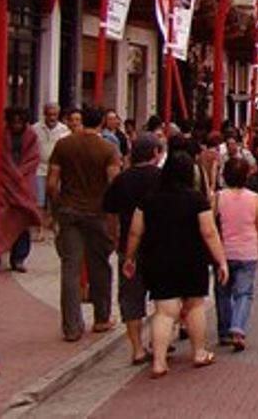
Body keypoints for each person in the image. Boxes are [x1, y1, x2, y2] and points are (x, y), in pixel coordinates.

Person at [123, 150, 229, 377]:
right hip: (192, 258)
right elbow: (209, 233)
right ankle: (199, 352)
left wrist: (129, 257)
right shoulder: (196, 199)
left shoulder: (149, 199)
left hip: (158, 259)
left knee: (164, 311)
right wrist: (221, 261)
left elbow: (134, 232)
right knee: (195, 305)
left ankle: (159, 362)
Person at [47, 105, 121, 341]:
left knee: (70, 267)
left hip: (69, 210)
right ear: (101, 122)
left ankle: (71, 326)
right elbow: (113, 185)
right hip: (96, 212)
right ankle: (101, 318)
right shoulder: (108, 149)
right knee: (99, 265)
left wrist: (57, 206)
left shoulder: (63, 145)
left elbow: (51, 183)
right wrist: (113, 217)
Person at [103, 133, 165, 364]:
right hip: (159, 246)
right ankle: (159, 341)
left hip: (129, 247)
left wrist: (113, 235)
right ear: (155, 154)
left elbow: (110, 211)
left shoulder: (122, 179)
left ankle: (137, 348)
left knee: (131, 297)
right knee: (163, 296)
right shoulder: (163, 178)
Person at [214, 158, 258, 350]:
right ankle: (238, 327)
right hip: (247, 251)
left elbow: (212, 225)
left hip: (223, 251)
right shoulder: (254, 198)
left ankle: (224, 331)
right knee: (244, 293)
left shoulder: (218, 197)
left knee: (222, 292)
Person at [0, 108, 42, 272]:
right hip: (3, 182)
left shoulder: (31, 135)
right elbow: (0, 156)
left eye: (20, 121)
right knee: (0, 219)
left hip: (24, 182)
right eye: (13, 122)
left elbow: (34, 157)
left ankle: (19, 258)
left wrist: (20, 173)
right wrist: (12, 172)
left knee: (23, 218)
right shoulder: (2, 134)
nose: (16, 125)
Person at [34, 103, 70, 218]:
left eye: (55, 115)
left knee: (55, 199)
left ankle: (53, 223)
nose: (52, 118)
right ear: (45, 115)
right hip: (39, 168)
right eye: (49, 115)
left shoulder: (64, 130)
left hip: (57, 169)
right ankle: (40, 225)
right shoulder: (35, 129)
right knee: (39, 201)